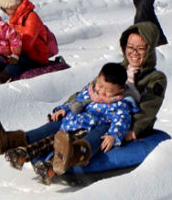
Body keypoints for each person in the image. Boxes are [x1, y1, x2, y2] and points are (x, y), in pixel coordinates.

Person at [0, 21, 167, 184]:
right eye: (130, 47)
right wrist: (64, 108)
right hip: (88, 115)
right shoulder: (115, 69)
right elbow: (85, 93)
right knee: (56, 125)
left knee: (98, 133)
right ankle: (8, 140)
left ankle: (75, 153)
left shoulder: (154, 78)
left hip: (118, 123)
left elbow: (149, 108)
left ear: (149, 50)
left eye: (140, 49)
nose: (133, 53)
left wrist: (132, 131)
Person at [9, 63, 139, 184]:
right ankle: (22, 154)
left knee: (63, 147)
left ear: (120, 90)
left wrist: (113, 136)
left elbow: (121, 121)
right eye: (100, 85)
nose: (102, 92)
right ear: (97, 79)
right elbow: (75, 103)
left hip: (85, 131)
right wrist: (62, 109)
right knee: (49, 141)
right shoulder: (90, 93)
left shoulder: (120, 104)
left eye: (109, 90)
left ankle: (50, 167)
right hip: (69, 123)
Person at [0, 0, 53, 85]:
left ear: (13, 6)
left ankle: (2, 78)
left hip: (35, 56)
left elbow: (27, 45)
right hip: (21, 51)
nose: (4, 12)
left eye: (5, 9)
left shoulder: (31, 17)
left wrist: (12, 48)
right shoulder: (14, 17)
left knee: (18, 59)